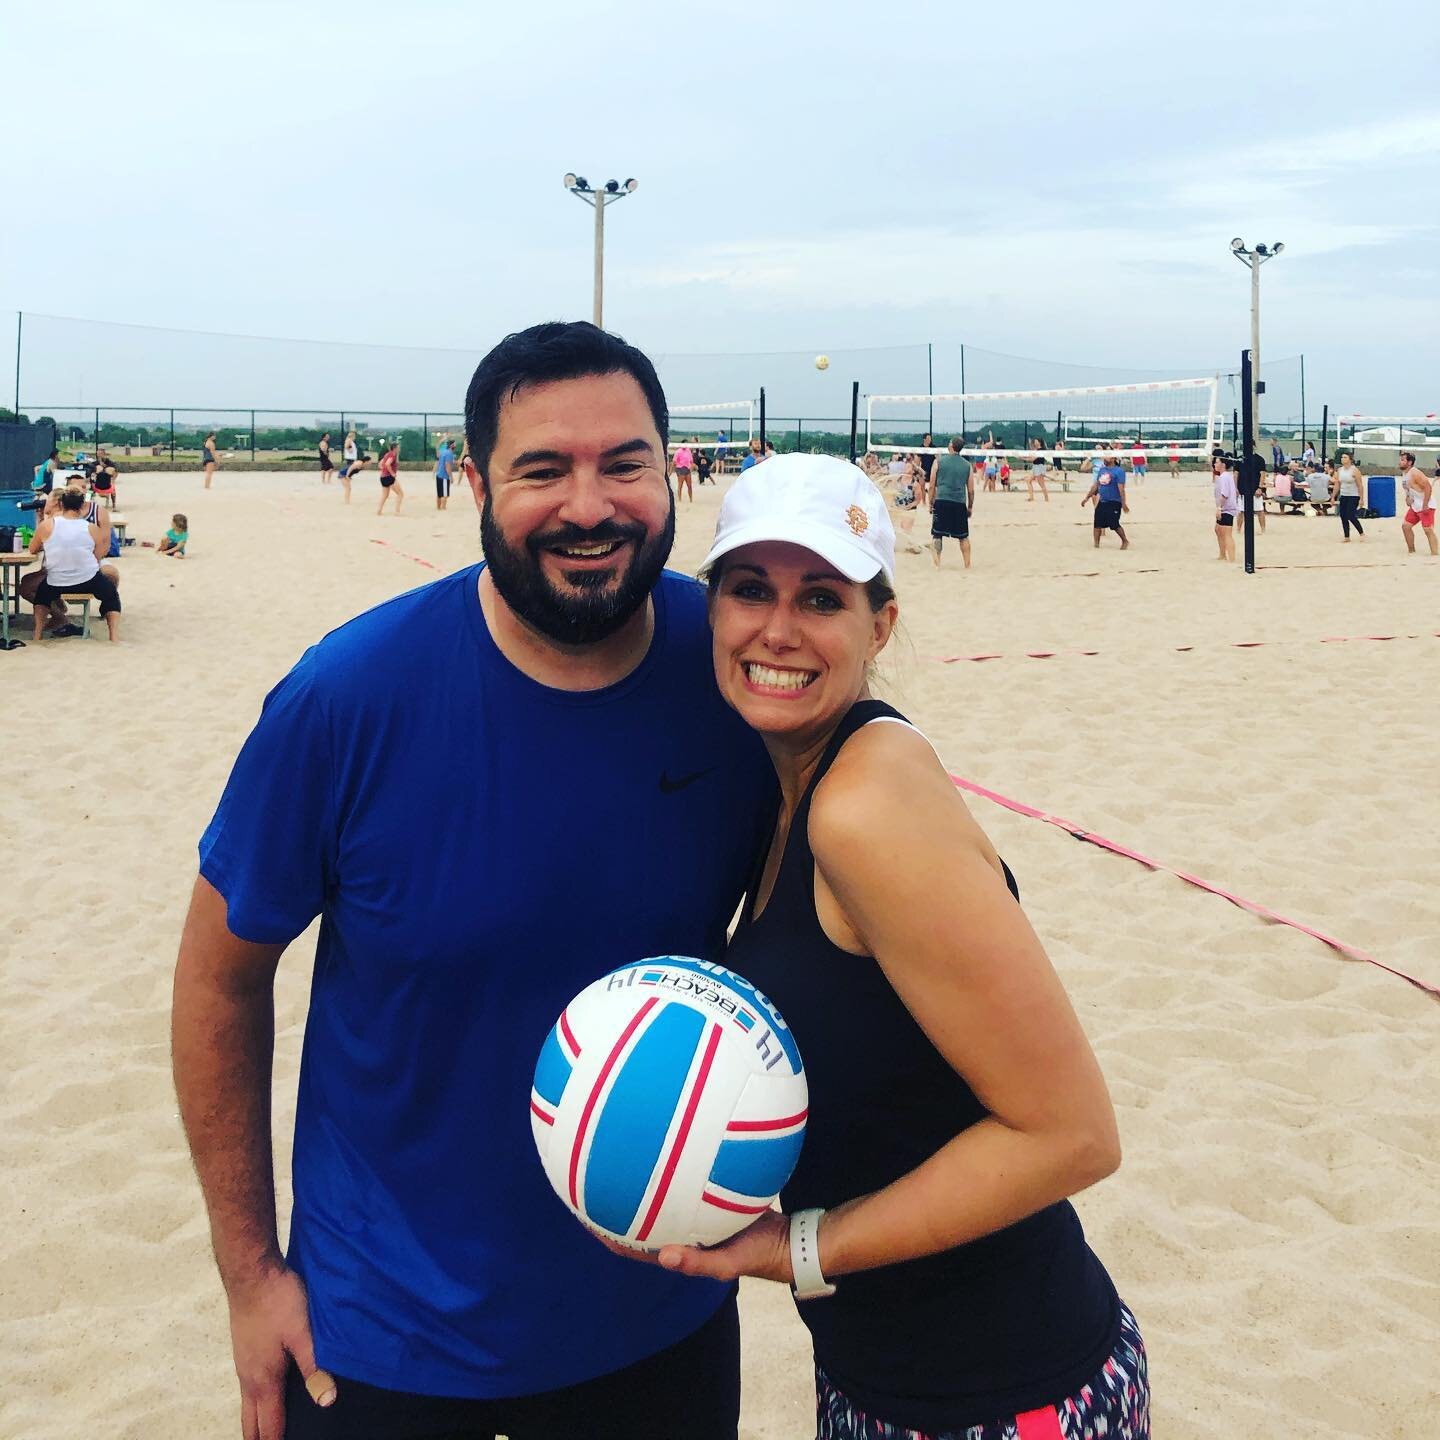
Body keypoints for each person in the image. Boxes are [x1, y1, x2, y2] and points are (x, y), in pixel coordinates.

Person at [171, 320, 775, 1440]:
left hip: (660, 1317)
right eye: (542, 469)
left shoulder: (735, 675)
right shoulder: (347, 698)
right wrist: (250, 1275)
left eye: (625, 463)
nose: (589, 506)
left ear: (672, 467)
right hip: (380, 1335)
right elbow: (218, 977)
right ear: (476, 484)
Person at [633, 453, 1147, 1440]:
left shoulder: (862, 805)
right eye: (750, 590)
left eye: (821, 596)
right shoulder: (788, 776)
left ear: (881, 625)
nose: (778, 629)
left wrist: (800, 1248)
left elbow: (1073, 1136)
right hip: (888, 1377)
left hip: (1003, 1395)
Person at [27, 487, 122, 641]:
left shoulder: (47, 526)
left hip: (56, 581)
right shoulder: (91, 528)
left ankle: (37, 634)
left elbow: (32, 549)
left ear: (61, 504)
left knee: (41, 597)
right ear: (81, 507)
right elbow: (97, 556)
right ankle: (114, 636)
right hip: (87, 580)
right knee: (111, 595)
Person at [928, 436, 974, 569]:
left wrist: (930, 503)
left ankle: (937, 565)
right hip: (959, 502)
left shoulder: (938, 462)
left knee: (937, 535)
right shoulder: (967, 465)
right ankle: (967, 565)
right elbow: (971, 490)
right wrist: (970, 507)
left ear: (952, 446)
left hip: (941, 501)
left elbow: (932, 485)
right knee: (963, 536)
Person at [1083, 453, 1130, 549]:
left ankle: (1125, 540)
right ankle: (1096, 544)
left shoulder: (1119, 471)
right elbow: (1096, 485)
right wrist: (1087, 497)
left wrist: (1123, 503)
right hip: (1102, 500)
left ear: (1113, 458)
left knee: (1114, 524)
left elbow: (1121, 489)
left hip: (1114, 501)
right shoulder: (1102, 470)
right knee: (1097, 523)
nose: (1104, 458)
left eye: (1107, 456)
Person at [1399, 449, 1437, 556]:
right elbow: (1408, 489)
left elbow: (1428, 487)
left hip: (1426, 505)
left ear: (1409, 462)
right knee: (1406, 526)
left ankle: (1435, 554)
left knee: (1428, 530)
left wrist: (1425, 504)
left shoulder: (1415, 472)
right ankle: (1411, 551)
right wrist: (1407, 499)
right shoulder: (1404, 474)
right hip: (1415, 505)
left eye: (1402, 460)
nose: (1400, 462)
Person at [1213, 453, 1240, 561]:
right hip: (1224, 508)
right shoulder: (1223, 476)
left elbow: (1225, 494)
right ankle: (1222, 554)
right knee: (1218, 529)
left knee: (1227, 533)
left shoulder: (1225, 477)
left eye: (1217, 462)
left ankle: (1231, 558)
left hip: (1227, 509)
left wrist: (1219, 508)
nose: (1215, 464)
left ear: (1223, 464)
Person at [1334, 452, 1364, 541]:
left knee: (1350, 515)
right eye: (1342, 457)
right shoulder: (1339, 470)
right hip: (1344, 495)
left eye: (1345, 457)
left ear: (1350, 459)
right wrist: (1333, 496)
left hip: (1353, 495)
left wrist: (1361, 499)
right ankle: (1347, 536)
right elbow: (1337, 484)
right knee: (1343, 515)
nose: (1342, 459)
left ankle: (1361, 533)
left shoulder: (1355, 470)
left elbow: (1360, 485)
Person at [376, 441, 404, 515]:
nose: (399, 449)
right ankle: (397, 511)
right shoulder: (393, 455)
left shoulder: (387, 454)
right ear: (394, 448)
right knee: (400, 494)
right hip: (389, 477)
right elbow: (388, 464)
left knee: (385, 495)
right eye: (398, 447)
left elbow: (380, 464)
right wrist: (392, 473)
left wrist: (384, 470)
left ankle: (379, 510)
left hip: (383, 477)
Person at [434, 433, 456, 509]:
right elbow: (447, 466)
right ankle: (443, 508)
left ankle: (438, 508)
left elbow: (438, 455)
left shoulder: (444, 452)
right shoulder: (449, 453)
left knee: (439, 494)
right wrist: (451, 477)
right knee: (445, 495)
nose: (455, 446)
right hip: (444, 476)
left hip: (438, 475)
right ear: (451, 445)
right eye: (454, 444)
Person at [1026, 438, 1049, 502]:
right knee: (1028, 480)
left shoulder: (1041, 450)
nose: (1035, 442)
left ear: (1039, 442)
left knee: (1041, 484)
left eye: (1036, 441)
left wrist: (1022, 458)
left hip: (1039, 467)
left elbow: (1032, 459)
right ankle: (1031, 497)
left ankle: (1046, 498)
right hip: (1035, 467)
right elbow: (1031, 457)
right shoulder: (1036, 450)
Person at [673, 438, 695, 503]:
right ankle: (679, 499)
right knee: (680, 485)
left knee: (689, 485)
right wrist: (675, 470)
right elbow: (674, 461)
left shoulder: (688, 451)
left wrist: (691, 467)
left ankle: (691, 499)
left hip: (687, 468)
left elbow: (691, 460)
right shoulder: (678, 451)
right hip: (680, 468)